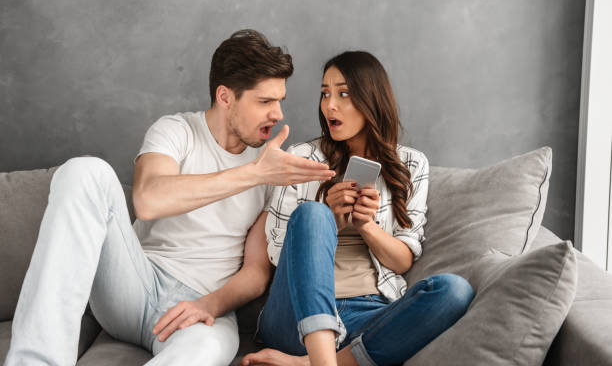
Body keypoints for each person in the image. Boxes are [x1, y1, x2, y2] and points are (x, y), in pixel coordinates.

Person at [4, 30, 335, 366]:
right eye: (265, 102)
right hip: (134, 284)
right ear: (225, 97)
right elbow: (148, 200)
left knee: (206, 351)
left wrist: (210, 305)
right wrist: (254, 174)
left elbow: (256, 272)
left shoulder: (271, 169)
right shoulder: (176, 131)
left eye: (280, 100)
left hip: (201, 305)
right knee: (84, 172)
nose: (278, 114)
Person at [242, 51, 475, 366]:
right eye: (325, 93)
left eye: (343, 93)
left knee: (455, 290)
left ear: (371, 100)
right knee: (314, 214)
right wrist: (331, 220)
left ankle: (309, 363)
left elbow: (403, 259)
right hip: (295, 317)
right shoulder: (301, 157)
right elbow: (279, 253)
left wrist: (367, 226)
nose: (329, 105)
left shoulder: (411, 164)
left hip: (368, 314)